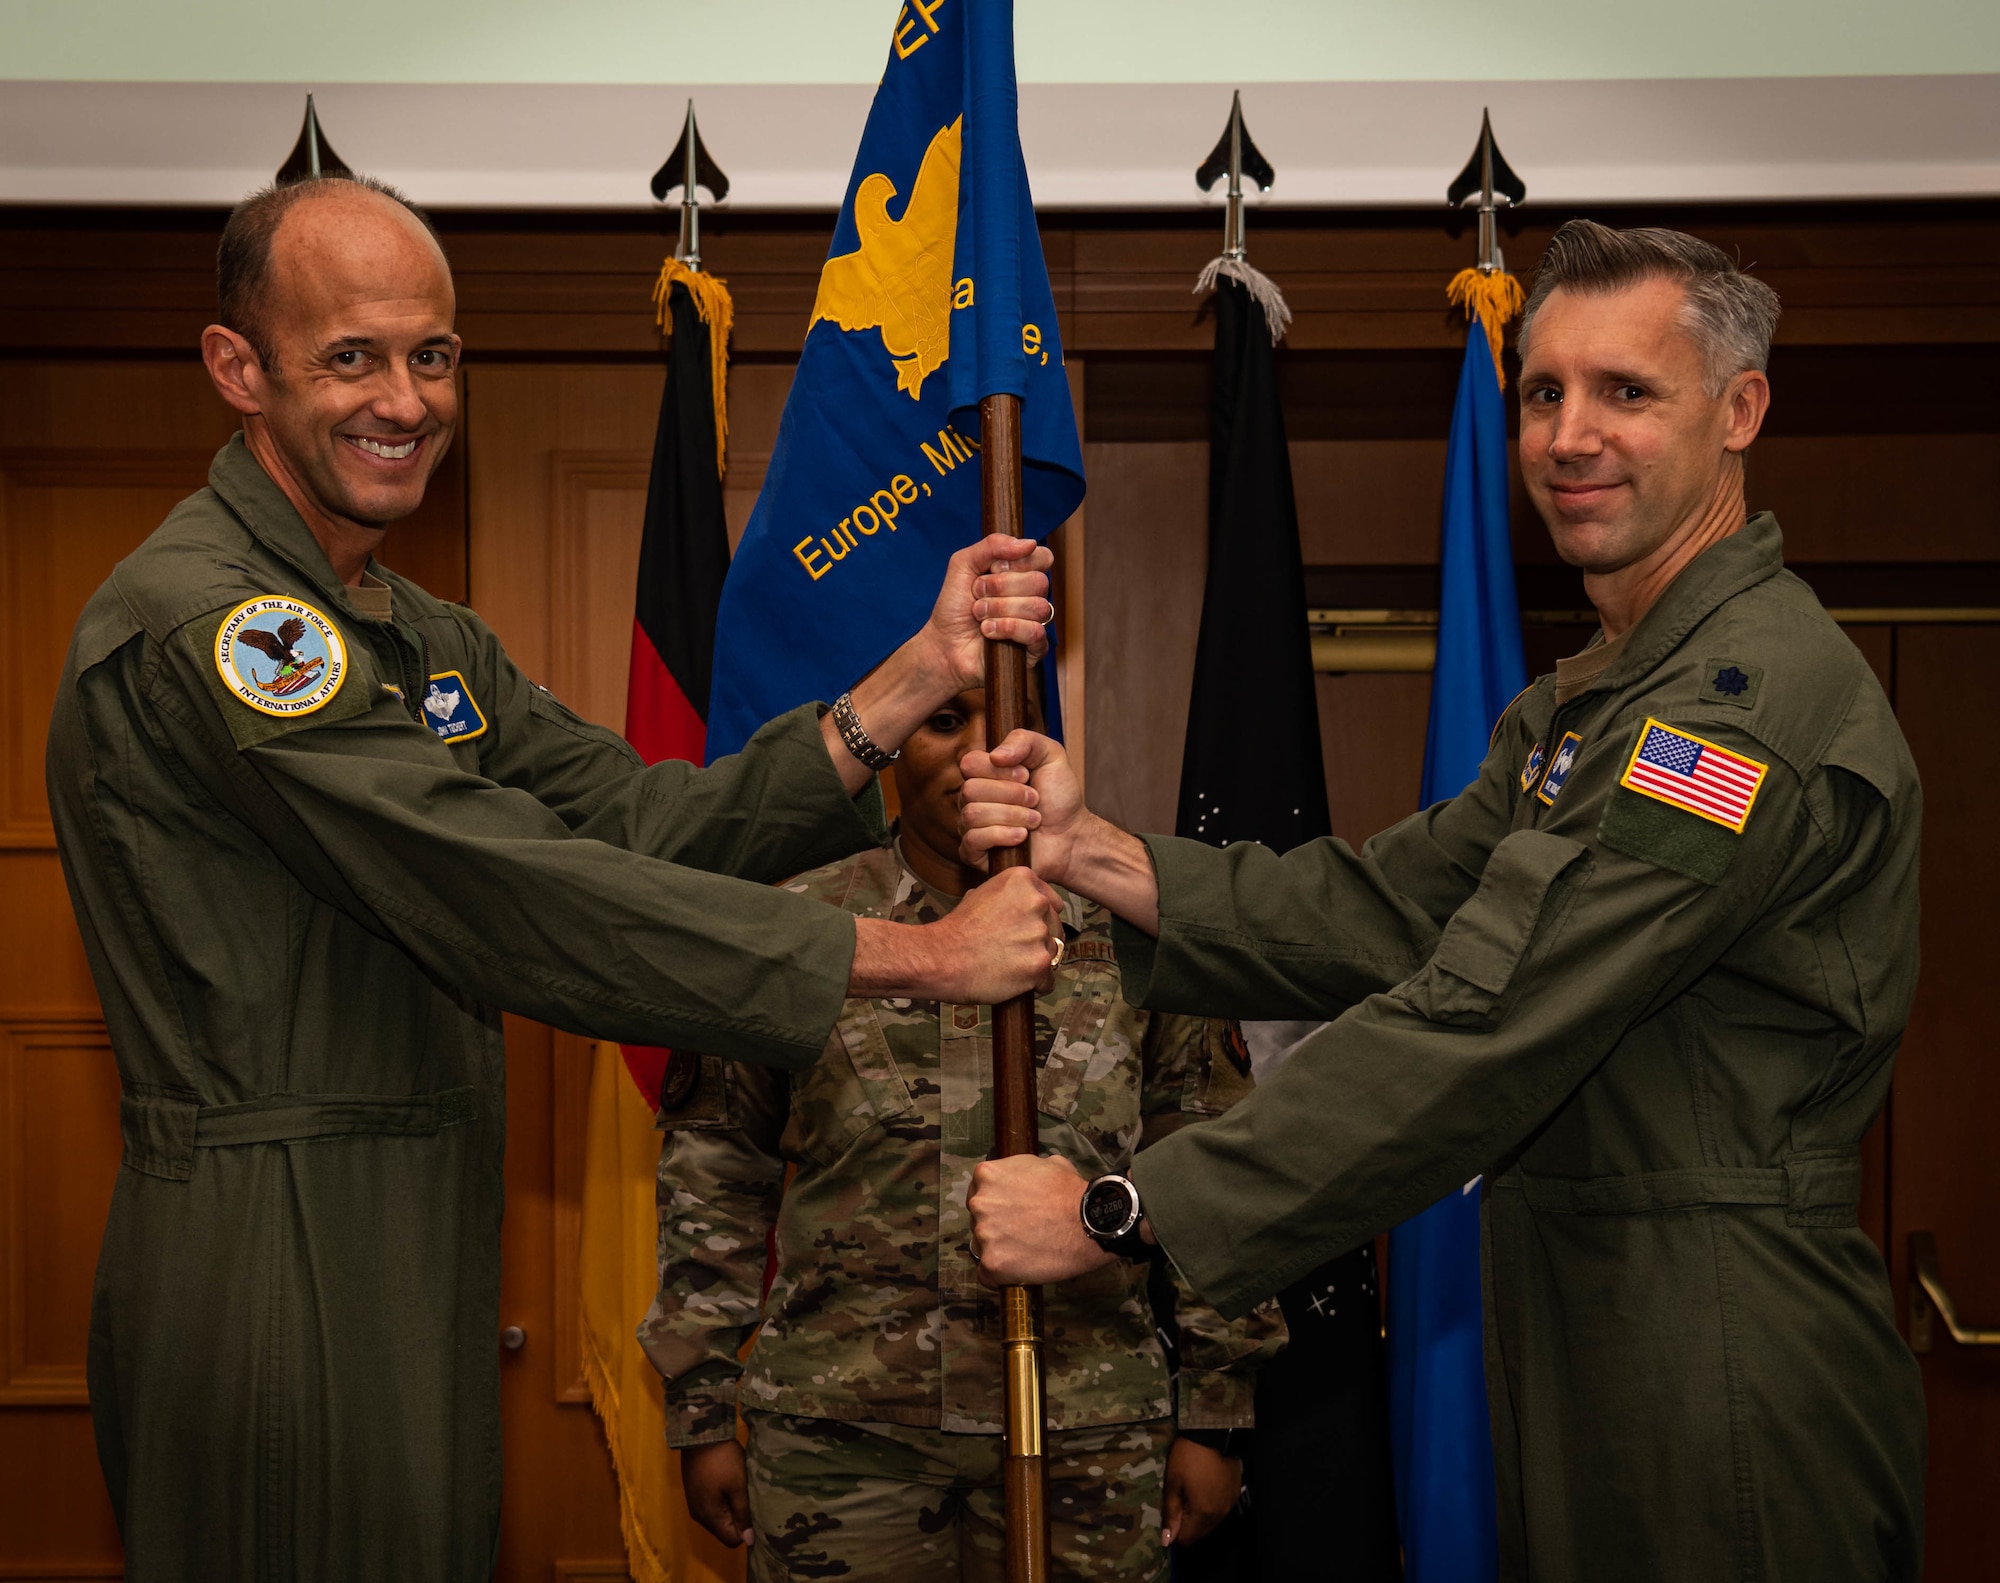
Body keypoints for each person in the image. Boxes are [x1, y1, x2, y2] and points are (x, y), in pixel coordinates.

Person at [45, 172, 1064, 1582]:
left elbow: (643, 823)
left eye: (433, 354)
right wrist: (918, 959)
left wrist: (912, 679)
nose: (404, 398)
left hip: (409, 1229)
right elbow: (507, 893)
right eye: (351, 356)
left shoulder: (416, 631)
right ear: (239, 369)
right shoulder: (224, 625)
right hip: (271, 1241)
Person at [962, 221, 1926, 1582]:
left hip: (1715, 1345)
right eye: (1544, 392)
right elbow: (1391, 907)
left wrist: (1130, 1207)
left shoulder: (1739, 704)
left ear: (1740, 410)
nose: (1569, 435)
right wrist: (1097, 851)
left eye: (1626, 392)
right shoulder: (1591, 698)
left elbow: (1491, 1016)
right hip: (1587, 1311)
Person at [642, 679, 1285, 1583]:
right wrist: (702, 1410)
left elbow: (1216, 1166)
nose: (981, 751)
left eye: (1009, 720)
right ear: (898, 740)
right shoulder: (797, 925)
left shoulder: (1137, 927)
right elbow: (715, 1172)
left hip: (1089, 1429)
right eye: (945, 722)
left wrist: (1217, 1409)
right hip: (845, 1433)